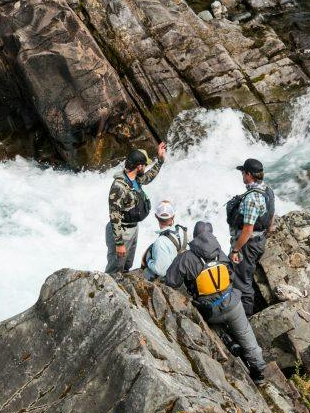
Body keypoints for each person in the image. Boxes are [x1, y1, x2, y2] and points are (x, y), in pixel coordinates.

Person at [165, 221, 266, 382]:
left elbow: (170, 282)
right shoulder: (222, 255)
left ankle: (226, 339)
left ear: (195, 237)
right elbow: (231, 277)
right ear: (212, 235)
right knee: (248, 338)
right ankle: (258, 373)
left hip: (210, 312)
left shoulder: (186, 257)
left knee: (207, 316)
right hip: (233, 305)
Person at [105, 142, 166, 274]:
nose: (146, 167)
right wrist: (119, 243)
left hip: (133, 228)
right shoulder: (119, 187)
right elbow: (114, 216)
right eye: (145, 165)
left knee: (127, 264)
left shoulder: (136, 179)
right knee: (115, 268)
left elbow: (149, 177)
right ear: (139, 166)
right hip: (122, 232)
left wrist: (160, 160)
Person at [225, 157, 275, 316]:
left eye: (243, 173)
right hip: (259, 240)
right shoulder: (267, 189)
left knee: (242, 281)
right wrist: (267, 230)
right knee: (245, 276)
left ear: (249, 175)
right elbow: (271, 213)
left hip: (249, 244)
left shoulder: (252, 198)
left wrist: (235, 250)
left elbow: (247, 230)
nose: (242, 176)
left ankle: (245, 317)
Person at [142, 201, 187, 280]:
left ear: (156, 216)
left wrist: (148, 261)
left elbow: (161, 271)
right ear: (173, 216)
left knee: (145, 272)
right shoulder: (182, 230)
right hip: (184, 271)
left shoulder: (160, 242)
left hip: (172, 277)